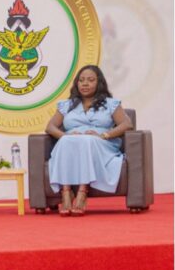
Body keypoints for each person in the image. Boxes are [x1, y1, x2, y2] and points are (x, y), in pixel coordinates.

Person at [44, 65, 132, 216]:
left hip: (101, 143)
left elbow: (127, 124)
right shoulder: (67, 105)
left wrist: (104, 135)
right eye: (81, 80)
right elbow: (50, 127)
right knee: (64, 141)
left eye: (90, 80)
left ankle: (82, 192)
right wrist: (65, 136)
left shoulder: (110, 104)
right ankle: (66, 192)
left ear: (99, 83)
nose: (85, 84)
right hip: (71, 144)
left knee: (87, 140)